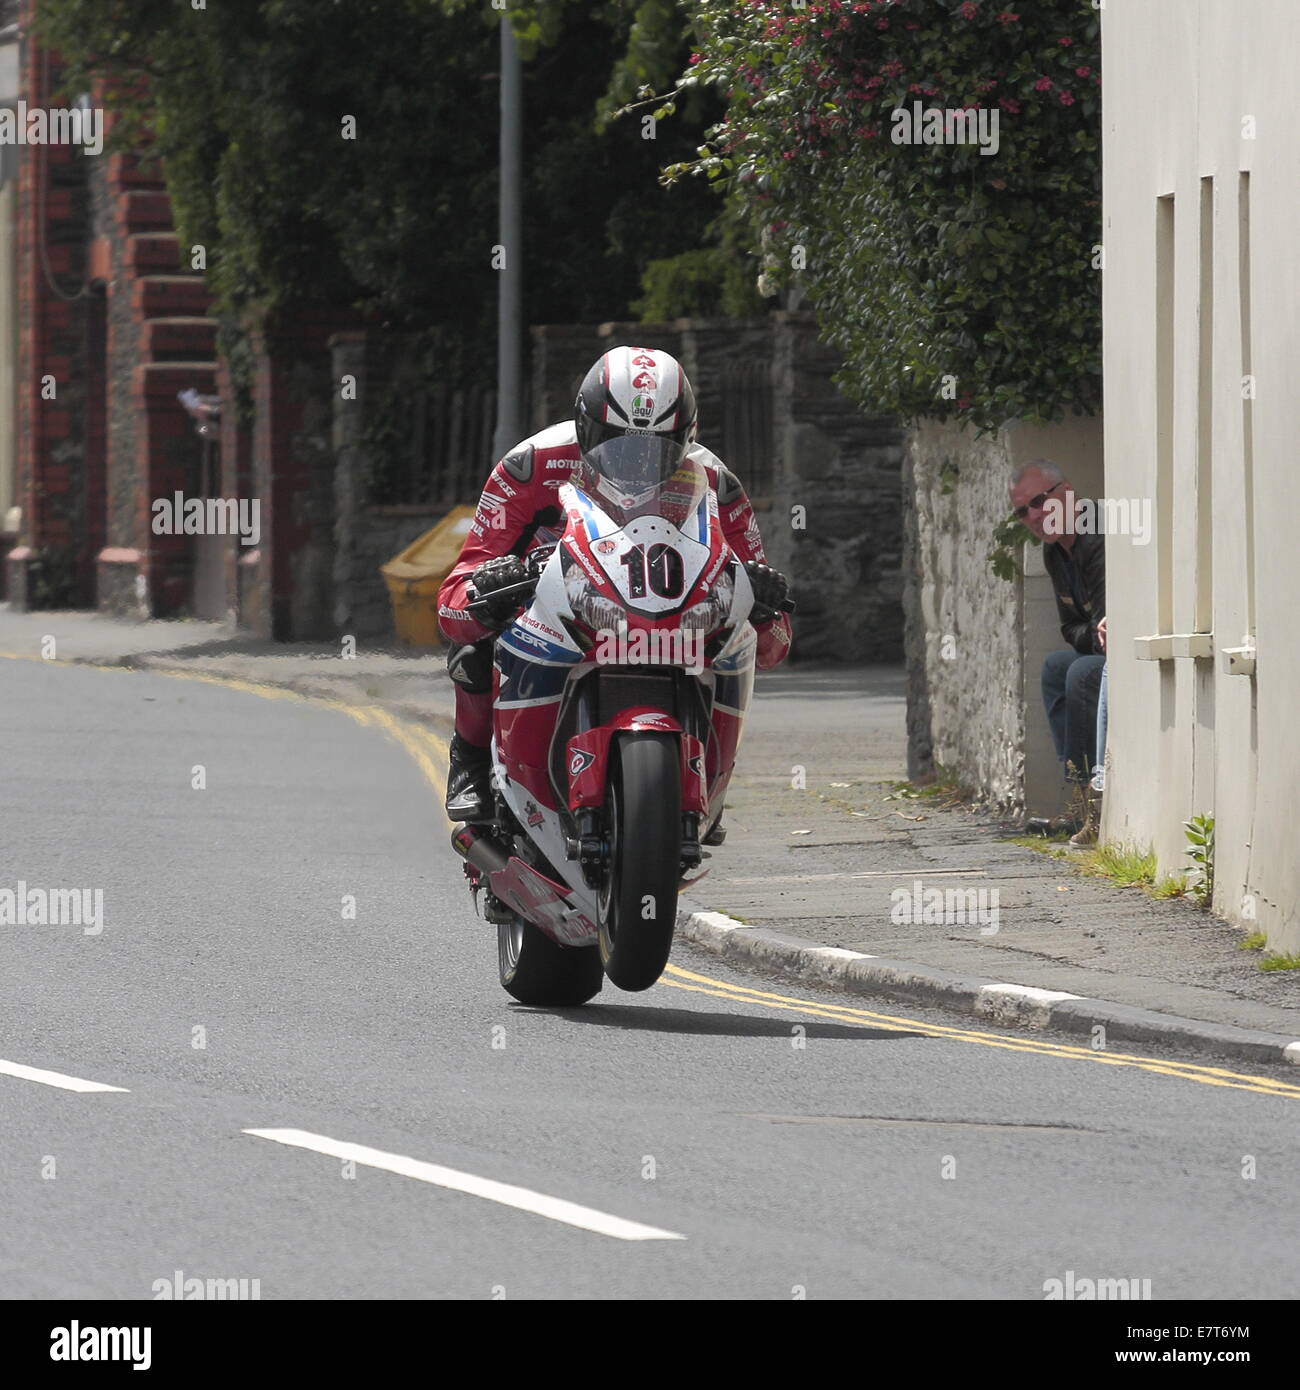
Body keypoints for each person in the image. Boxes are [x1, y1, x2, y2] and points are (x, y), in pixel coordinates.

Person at [437, 345, 793, 822]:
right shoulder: (530, 465)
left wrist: (764, 603)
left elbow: (776, 637)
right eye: (616, 443)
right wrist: (486, 593)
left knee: (740, 641)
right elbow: (455, 595)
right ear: (586, 428)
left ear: (687, 435)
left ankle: (707, 779)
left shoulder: (717, 484)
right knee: (475, 648)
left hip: (669, 610)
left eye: (658, 447)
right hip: (556, 600)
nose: (638, 462)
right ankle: (471, 759)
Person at [1009, 459, 1105, 841]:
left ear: (1065, 492)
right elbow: (1074, 628)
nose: (1032, 515)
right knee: (1055, 668)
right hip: (1103, 647)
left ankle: (1094, 812)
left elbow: (1109, 622)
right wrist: (1093, 631)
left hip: (1133, 650)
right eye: (1021, 511)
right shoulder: (1054, 552)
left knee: (1079, 673)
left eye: (1038, 502)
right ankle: (1080, 802)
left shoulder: (1097, 530)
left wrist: (1096, 629)